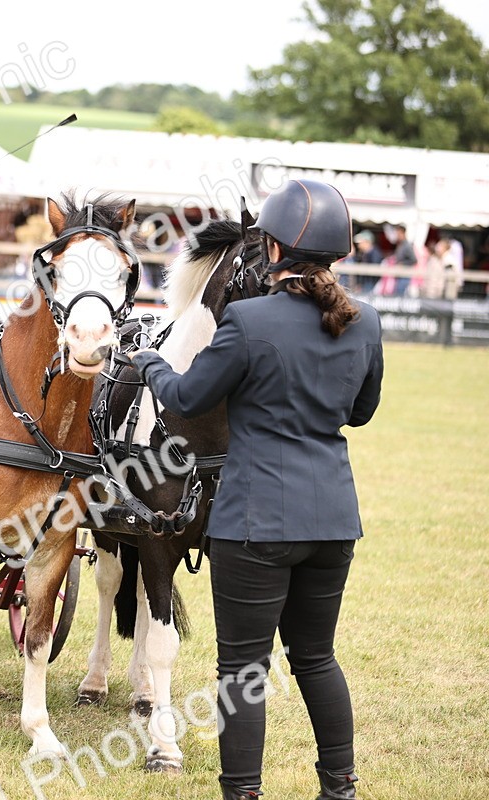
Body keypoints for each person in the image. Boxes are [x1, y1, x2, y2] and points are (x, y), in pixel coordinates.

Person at [131, 180, 383, 800]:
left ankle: (243, 792)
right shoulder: (365, 320)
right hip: (332, 520)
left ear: (270, 250)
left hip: (255, 522)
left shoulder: (246, 318)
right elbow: (361, 412)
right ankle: (339, 789)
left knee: (242, 670)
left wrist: (149, 363)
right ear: (336, 255)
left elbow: (188, 396)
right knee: (316, 659)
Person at [349, 230, 383, 294]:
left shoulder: (375, 254)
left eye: (360, 243)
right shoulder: (364, 254)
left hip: (371, 286)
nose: (358, 245)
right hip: (365, 285)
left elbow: (375, 272)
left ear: (367, 242)